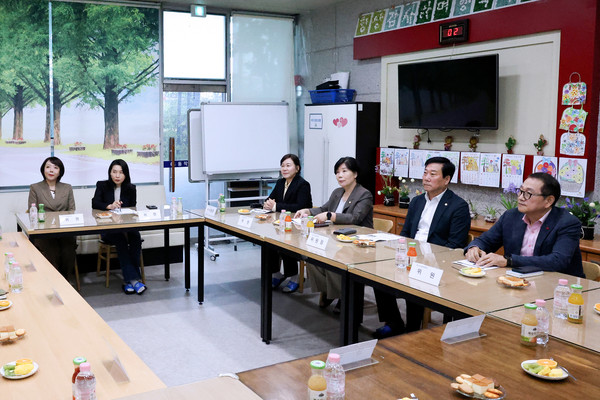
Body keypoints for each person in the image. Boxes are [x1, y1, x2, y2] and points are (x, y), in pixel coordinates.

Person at [374, 157, 470, 338]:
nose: (426, 178)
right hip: (410, 255)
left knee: (414, 284)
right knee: (378, 276)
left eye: (432, 174)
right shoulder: (417, 201)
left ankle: (412, 332)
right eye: (425, 173)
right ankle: (394, 322)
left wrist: (425, 259)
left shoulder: (458, 206)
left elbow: (455, 246)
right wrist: (400, 250)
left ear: (446, 179)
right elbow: (407, 232)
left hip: (436, 262)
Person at [465, 172, 584, 277]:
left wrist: (509, 261)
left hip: (557, 285)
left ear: (548, 201)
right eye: (520, 191)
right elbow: (486, 240)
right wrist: (474, 248)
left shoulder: (567, 223)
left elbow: (557, 261)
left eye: (528, 194)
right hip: (515, 280)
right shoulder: (511, 216)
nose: (521, 197)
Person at [295, 156, 373, 312]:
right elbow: (324, 209)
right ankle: (331, 292)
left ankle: (343, 296)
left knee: (334, 260)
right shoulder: (337, 192)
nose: (340, 175)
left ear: (355, 174)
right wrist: (308, 211)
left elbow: (355, 218)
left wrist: (331, 215)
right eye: (337, 172)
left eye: (344, 171)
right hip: (335, 239)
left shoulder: (364, 194)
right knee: (311, 257)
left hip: (356, 243)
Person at [92, 159, 146, 294]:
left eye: (121, 172)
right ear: (110, 173)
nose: (117, 175)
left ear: (126, 174)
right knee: (120, 240)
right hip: (108, 228)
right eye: (114, 172)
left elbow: (133, 207)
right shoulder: (102, 185)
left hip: (127, 226)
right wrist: (109, 206)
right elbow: (95, 203)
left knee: (135, 238)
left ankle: (129, 280)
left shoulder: (131, 188)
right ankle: (133, 280)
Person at [265, 154, 312, 293]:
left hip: (299, 226)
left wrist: (275, 206)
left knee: (286, 243)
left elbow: (300, 206)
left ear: (297, 168)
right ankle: (276, 274)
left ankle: (295, 277)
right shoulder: (280, 183)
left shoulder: (302, 184)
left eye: (288, 165)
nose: (284, 169)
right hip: (282, 223)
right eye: (282, 165)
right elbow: (270, 199)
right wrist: (269, 204)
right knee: (269, 242)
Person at [28, 157, 77, 279]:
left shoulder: (67, 188)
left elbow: (72, 211)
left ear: (60, 172)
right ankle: (53, 280)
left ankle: (65, 279)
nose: (51, 170)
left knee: (68, 250)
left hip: (64, 230)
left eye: (55, 168)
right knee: (51, 250)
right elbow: (31, 211)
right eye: (48, 167)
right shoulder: (35, 188)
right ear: (43, 169)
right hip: (44, 231)